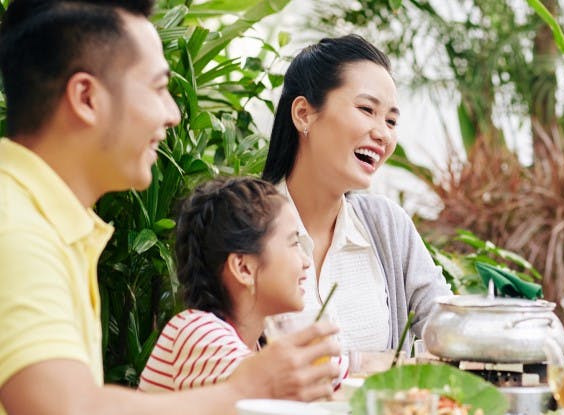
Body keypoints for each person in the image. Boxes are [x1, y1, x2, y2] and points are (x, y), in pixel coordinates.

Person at [0, 1, 339, 414]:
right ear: (87, 97)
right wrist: (243, 389)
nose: (174, 114)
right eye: (159, 88)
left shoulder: (47, 223)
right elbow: (67, 409)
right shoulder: (16, 228)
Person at [261, 35, 452, 355]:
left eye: (391, 120)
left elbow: (445, 324)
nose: (383, 133)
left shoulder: (386, 225)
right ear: (304, 114)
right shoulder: (245, 226)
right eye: (367, 109)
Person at [139, 177, 315, 392]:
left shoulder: (263, 343)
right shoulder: (198, 335)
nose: (306, 262)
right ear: (243, 268)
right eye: (294, 243)